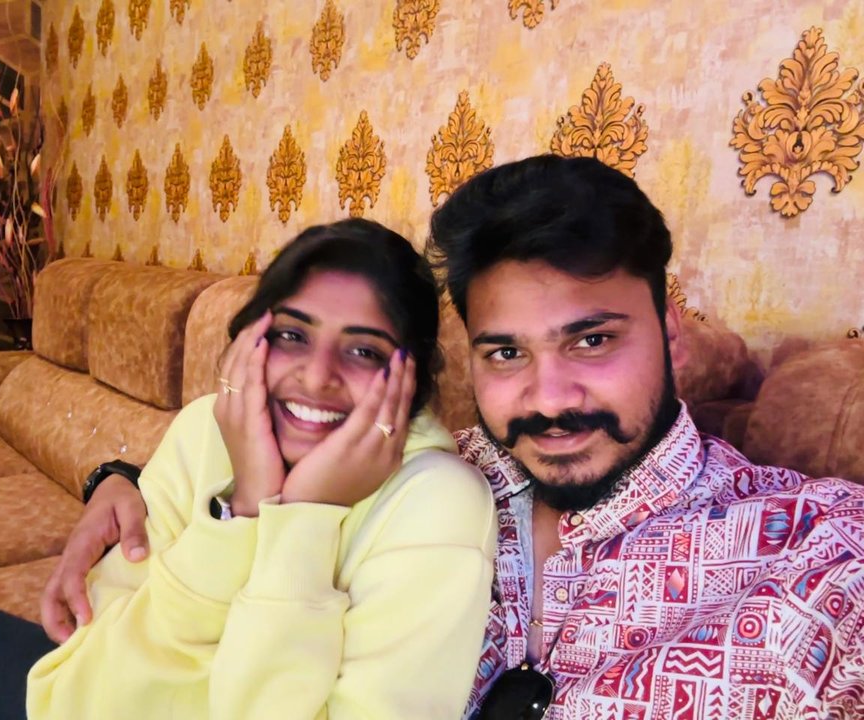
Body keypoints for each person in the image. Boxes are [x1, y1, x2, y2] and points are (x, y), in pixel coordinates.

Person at [55, 155, 864, 719]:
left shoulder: (822, 557)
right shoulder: (406, 472)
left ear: (671, 333)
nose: (550, 398)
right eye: (506, 353)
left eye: (592, 340)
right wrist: (121, 480)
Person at [0, 218, 497, 720]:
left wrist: (304, 520)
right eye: (292, 335)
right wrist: (242, 507)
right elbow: (91, 685)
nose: (318, 377)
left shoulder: (437, 503)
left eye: (363, 351)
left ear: (412, 376)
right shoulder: (205, 431)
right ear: (248, 341)